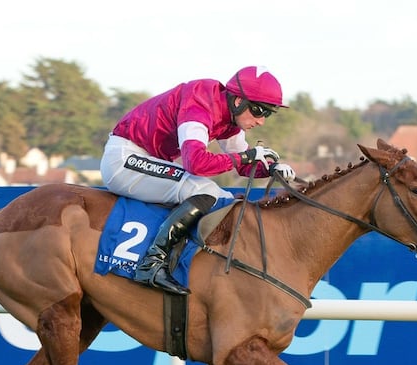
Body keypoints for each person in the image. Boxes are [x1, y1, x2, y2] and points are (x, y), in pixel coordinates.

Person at [100, 65, 296, 295]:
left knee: (223, 198)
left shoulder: (229, 118)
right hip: (125, 159)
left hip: (149, 159)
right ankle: (151, 264)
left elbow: (243, 162)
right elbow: (196, 164)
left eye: (267, 113)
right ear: (237, 101)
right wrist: (245, 157)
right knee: (204, 190)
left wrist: (271, 169)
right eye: (258, 110)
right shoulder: (200, 104)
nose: (261, 121)